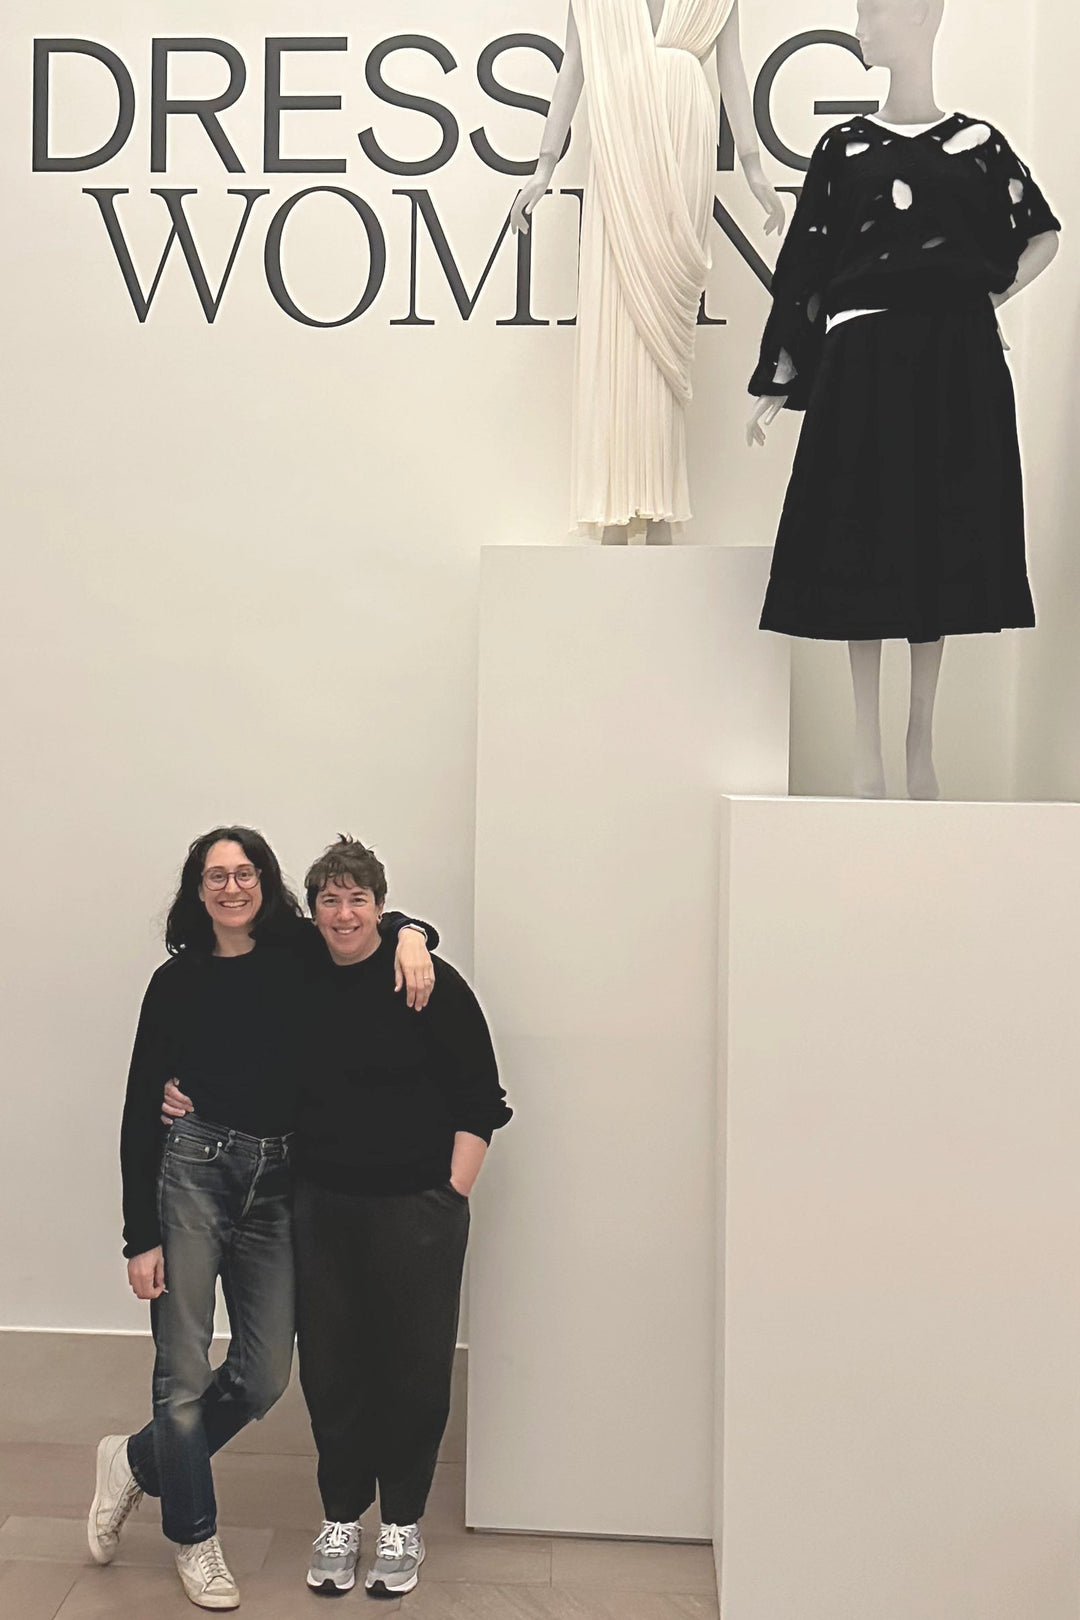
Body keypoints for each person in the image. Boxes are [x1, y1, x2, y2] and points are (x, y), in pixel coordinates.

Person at [87, 826, 435, 1612]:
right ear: (197, 889)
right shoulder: (173, 984)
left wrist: (415, 934)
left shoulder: (298, 956)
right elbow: (142, 1108)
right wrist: (137, 1234)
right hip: (193, 1174)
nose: (232, 887)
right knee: (181, 1373)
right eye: (216, 876)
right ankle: (193, 1536)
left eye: (245, 873)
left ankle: (135, 1464)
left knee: (265, 1372)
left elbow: (360, 924)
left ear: (265, 881)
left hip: (279, 1181)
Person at [166, 836, 512, 1598]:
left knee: (414, 1370)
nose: (344, 913)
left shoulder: (427, 980)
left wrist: (449, 1187)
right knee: (333, 1371)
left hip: (418, 1211)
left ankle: (403, 1526)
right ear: (312, 910)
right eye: (330, 899)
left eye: (360, 899)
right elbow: (226, 997)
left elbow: (482, 1099)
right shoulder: (299, 971)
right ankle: (342, 1518)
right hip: (319, 1206)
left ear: (382, 908)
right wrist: (176, 1083)